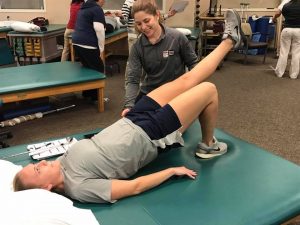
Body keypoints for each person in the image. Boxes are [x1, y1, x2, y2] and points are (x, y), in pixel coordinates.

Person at [13, 9, 243, 204]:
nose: (40, 163)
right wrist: (171, 171)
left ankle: (231, 39)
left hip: (133, 118)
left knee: (184, 80)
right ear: (46, 188)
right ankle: (208, 145)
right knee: (208, 90)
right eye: (37, 170)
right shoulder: (79, 188)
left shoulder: (60, 164)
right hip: (151, 134)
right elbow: (134, 187)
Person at [122, 0, 199, 116]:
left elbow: (193, 64)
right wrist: (129, 105)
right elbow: (132, 79)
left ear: (157, 15)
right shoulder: (137, 47)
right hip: (151, 94)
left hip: (176, 94)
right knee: (136, 124)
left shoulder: (177, 38)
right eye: (138, 24)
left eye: (146, 21)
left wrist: (193, 90)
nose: (143, 27)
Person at [72, 0, 106, 100]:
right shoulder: (96, 9)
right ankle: (96, 97)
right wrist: (101, 47)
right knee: (98, 69)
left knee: (88, 69)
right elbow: (99, 29)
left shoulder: (83, 8)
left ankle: (87, 93)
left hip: (76, 42)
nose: (104, 1)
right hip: (88, 44)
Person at [273, 0, 300, 79]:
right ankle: (293, 75)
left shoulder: (285, 5)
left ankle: (279, 73)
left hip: (287, 29)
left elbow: (278, 13)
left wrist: (274, 18)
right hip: (299, 31)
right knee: (296, 53)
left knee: (283, 52)